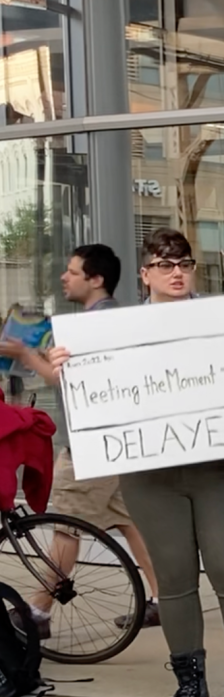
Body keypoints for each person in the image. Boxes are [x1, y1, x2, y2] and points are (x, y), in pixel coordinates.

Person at [50, 230, 224, 697]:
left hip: (221, 468)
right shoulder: (114, 331)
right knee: (175, 579)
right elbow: (89, 391)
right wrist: (66, 368)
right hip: (151, 473)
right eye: (164, 264)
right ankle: (189, 685)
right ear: (145, 274)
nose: (176, 272)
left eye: (183, 263)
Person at [1, 245, 161, 640]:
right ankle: (166, 599)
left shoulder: (99, 322)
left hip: (94, 445)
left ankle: (37, 611)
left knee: (66, 527)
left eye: (72, 272)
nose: (63, 278)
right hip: (114, 442)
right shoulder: (105, 319)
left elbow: (71, 380)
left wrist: (24, 352)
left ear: (96, 279)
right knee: (130, 521)